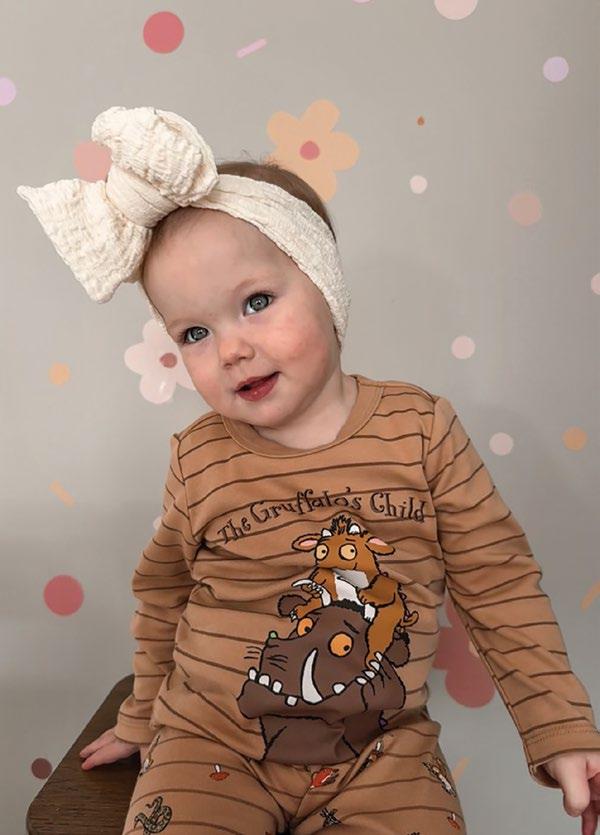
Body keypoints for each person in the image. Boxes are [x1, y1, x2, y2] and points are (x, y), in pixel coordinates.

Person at [17, 105, 600, 835]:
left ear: (324, 284)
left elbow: (499, 582)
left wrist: (560, 729)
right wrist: (141, 718)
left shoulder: (421, 431)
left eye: (256, 303)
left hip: (381, 755)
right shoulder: (199, 456)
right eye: (194, 332)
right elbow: (163, 596)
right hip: (207, 745)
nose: (230, 349)